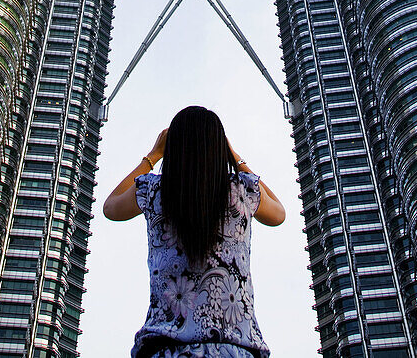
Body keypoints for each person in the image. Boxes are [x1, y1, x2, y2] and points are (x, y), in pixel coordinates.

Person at [103, 105, 286, 358]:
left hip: (167, 348)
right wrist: (234, 157)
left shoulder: (153, 191)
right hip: (235, 349)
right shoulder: (243, 191)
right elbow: (279, 213)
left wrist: (152, 156)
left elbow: (111, 207)